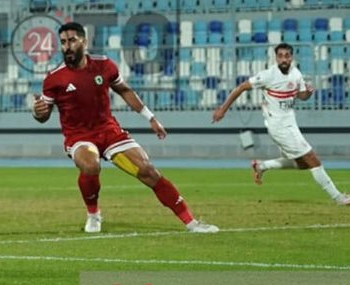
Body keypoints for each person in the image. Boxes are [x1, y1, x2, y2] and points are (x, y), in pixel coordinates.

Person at [32, 22, 219, 234]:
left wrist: (150, 117)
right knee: (91, 165)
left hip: (109, 132)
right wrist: (38, 112)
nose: (67, 46)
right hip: (79, 137)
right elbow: (43, 115)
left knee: (148, 170)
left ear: (84, 41)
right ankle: (93, 215)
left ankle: (191, 223)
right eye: (63, 42)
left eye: (72, 40)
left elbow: (124, 90)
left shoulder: (104, 65)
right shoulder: (54, 78)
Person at [212, 43, 350, 206]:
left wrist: (307, 94)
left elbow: (301, 96)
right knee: (312, 158)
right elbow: (241, 87)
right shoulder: (268, 75)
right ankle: (339, 198)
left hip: (291, 124)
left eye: (287, 56)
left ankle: (262, 166)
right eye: (280, 56)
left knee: (303, 164)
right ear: (276, 58)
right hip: (279, 127)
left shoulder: (296, 74)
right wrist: (222, 109)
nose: (284, 59)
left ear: (291, 57)